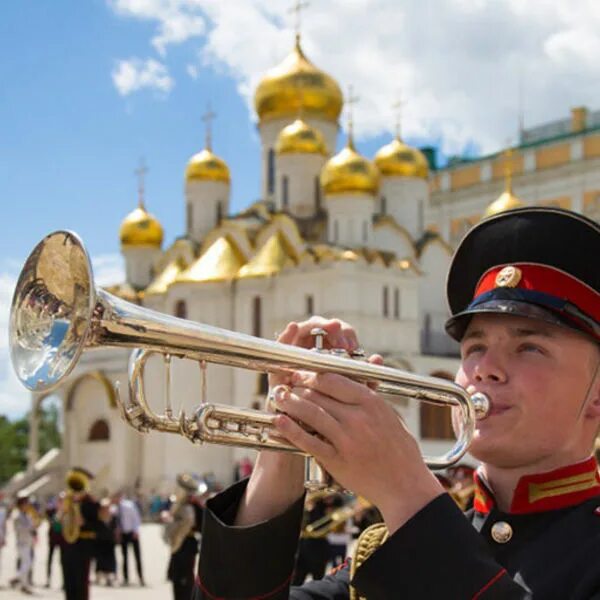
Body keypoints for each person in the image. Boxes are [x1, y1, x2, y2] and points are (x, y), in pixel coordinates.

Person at [193, 207, 600, 598]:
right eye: (474, 347)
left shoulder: (419, 530)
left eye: (528, 346)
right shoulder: (402, 543)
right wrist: (284, 440)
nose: (484, 368)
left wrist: (406, 490)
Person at [163, 474, 206, 600]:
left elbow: (201, 525)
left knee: (186, 579)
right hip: (177, 545)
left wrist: (197, 505)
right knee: (176, 577)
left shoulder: (195, 507)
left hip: (187, 545)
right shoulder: (177, 505)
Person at [59, 467, 100, 600]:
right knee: (68, 581)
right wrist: (60, 515)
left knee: (81, 582)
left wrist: (84, 523)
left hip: (83, 546)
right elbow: (57, 525)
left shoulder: (91, 503)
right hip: (67, 545)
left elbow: (98, 527)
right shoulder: (67, 501)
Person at [115, 490, 145, 586]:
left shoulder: (128, 506)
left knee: (137, 556)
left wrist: (136, 531)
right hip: (123, 533)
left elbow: (136, 518)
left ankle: (140, 577)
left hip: (132, 533)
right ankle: (125, 578)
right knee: (124, 557)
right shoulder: (115, 508)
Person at [9, 495, 35, 595]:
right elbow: (19, 529)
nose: (27, 505)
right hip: (22, 542)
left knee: (27, 564)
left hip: (28, 542)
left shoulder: (27, 514)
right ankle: (19, 580)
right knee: (27, 564)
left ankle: (22, 583)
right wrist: (30, 528)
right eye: (25, 504)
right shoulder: (17, 515)